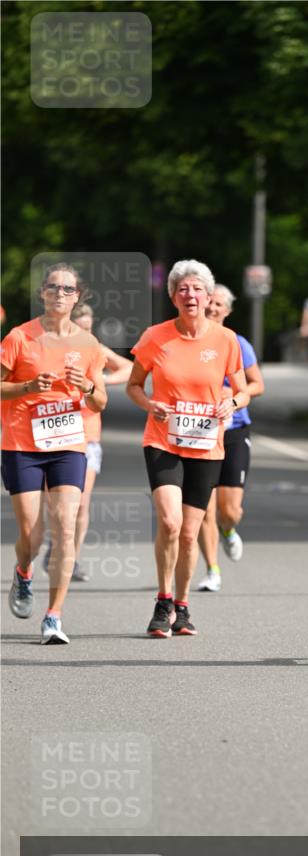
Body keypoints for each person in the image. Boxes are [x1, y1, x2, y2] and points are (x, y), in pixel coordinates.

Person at [127, 260, 250, 637]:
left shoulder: (225, 340)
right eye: (182, 289)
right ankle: (162, 601)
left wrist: (233, 402)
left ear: (208, 296)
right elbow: (133, 385)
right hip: (163, 439)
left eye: (197, 289)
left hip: (207, 445)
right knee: (169, 521)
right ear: (173, 297)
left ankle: (181, 606)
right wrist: (150, 405)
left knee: (188, 531)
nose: (190, 295)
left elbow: (243, 388)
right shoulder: (154, 336)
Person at [0, 263, 107, 643]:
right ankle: (24, 572)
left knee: (64, 527)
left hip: (68, 446)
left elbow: (100, 403)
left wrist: (90, 386)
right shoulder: (19, 337)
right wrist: (28, 386)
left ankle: (54, 616)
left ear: (77, 296)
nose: (59, 294)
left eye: (67, 289)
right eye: (52, 287)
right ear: (42, 293)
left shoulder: (89, 344)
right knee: (31, 534)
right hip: (22, 445)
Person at [42, 303, 133, 581]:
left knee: (81, 502)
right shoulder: (49, 347)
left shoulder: (94, 348)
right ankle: (56, 543)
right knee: (56, 505)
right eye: (81, 328)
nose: (85, 333)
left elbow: (129, 368)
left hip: (87, 437)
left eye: (89, 328)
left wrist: (99, 382)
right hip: (52, 435)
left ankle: (72, 558)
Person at [197, 285, 265, 592]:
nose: (213, 307)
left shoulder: (239, 344)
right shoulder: (191, 342)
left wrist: (234, 395)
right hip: (198, 431)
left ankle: (228, 530)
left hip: (234, 429)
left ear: (228, 310)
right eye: (209, 301)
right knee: (204, 509)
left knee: (228, 510)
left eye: (219, 304)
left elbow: (256, 385)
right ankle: (212, 569)